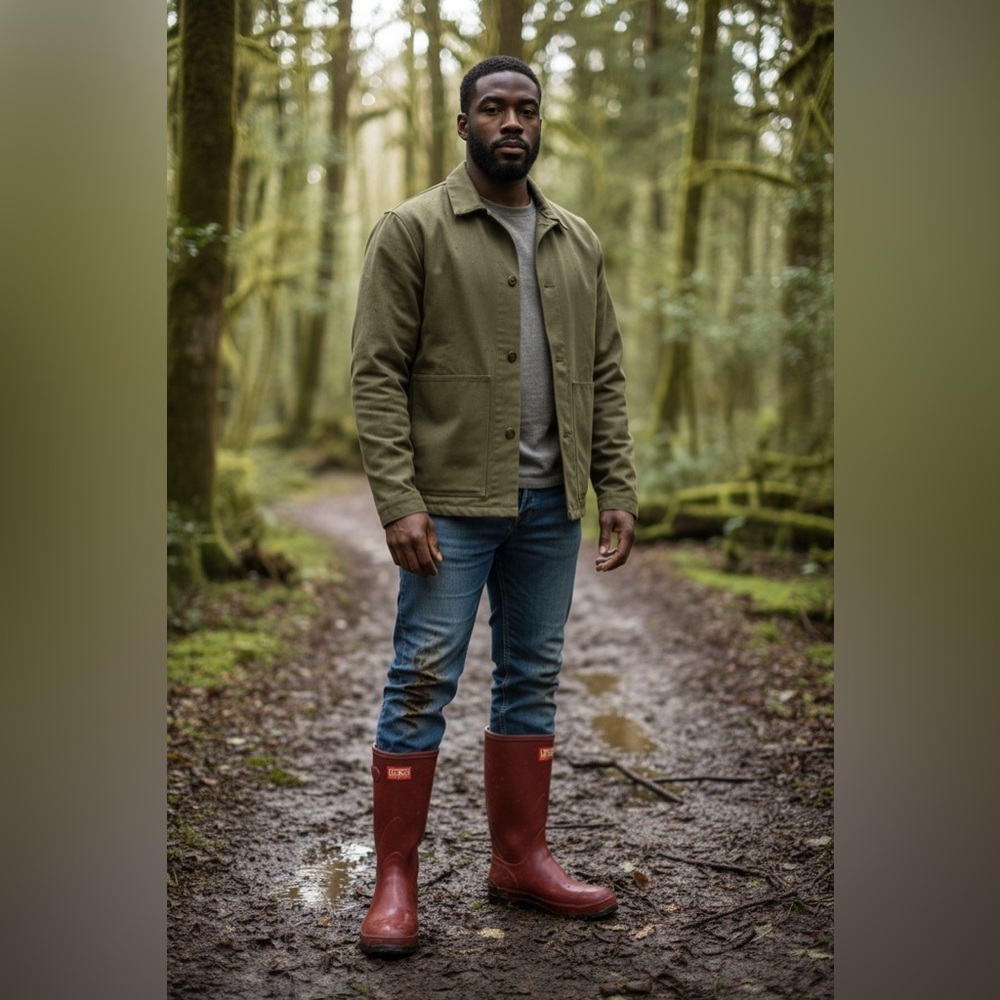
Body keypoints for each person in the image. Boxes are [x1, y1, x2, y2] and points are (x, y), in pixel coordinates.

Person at [350, 55, 638, 957]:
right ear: (464, 123)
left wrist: (616, 485)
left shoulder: (575, 240)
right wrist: (399, 499)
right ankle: (395, 880)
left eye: (526, 109)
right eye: (493, 108)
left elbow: (604, 374)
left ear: (540, 123)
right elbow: (376, 373)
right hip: (450, 506)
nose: (512, 122)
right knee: (421, 677)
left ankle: (521, 859)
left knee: (532, 675)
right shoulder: (412, 230)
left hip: (552, 506)